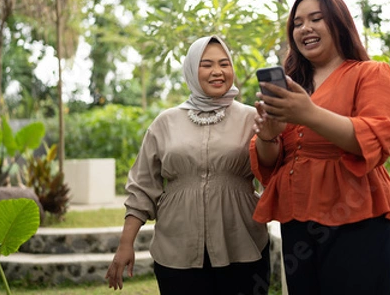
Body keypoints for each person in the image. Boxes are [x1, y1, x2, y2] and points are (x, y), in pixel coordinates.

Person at [250, 0, 390, 295]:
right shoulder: (293, 87)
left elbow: (374, 139)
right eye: (297, 23)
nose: (304, 28)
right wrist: (267, 136)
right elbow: (270, 165)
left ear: (339, 23)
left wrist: (308, 112)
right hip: (297, 215)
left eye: (316, 19)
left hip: (355, 212)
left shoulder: (371, 73)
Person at [106, 35, 270, 295]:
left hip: (241, 243)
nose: (217, 71)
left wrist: (270, 133)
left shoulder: (253, 117)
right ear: (192, 70)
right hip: (177, 250)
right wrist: (126, 244)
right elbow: (142, 187)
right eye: (206, 64)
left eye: (224, 63)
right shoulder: (166, 122)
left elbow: (271, 168)